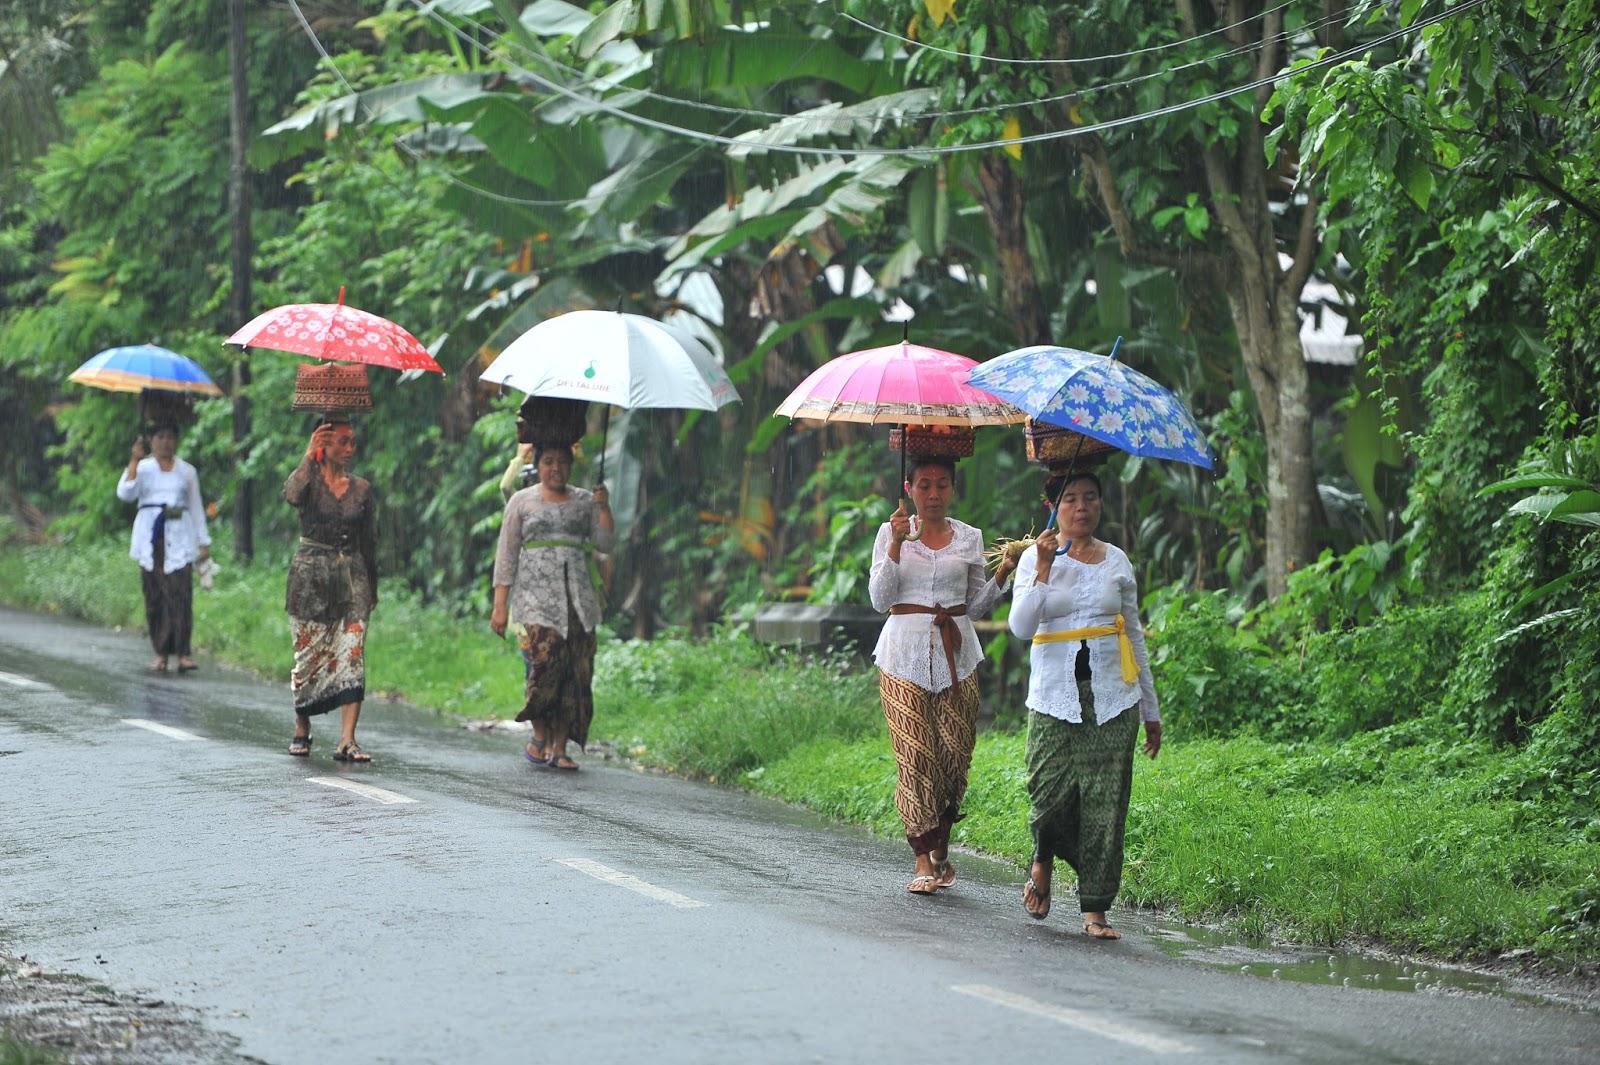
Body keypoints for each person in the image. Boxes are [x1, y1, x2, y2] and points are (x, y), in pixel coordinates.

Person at [1007, 470, 1161, 938]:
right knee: (1048, 794)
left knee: (1106, 804)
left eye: (1090, 498)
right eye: (1070, 499)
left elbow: (1133, 633)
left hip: (1114, 698)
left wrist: (1150, 710)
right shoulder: (1036, 557)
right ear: (1052, 507)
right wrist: (1043, 568)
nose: (1081, 507)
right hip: (1053, 695)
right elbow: (1019, 625)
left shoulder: (1118, 562)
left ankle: (1095, 908)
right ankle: (1043, 855)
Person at [868, 457, 1017, 895]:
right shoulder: (889, 531)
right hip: (901, 655)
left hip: (958, 653)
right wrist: (896, 543)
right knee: (915, 754)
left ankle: (941, 848)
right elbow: (880, 600)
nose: (933, 494)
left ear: (952, 489)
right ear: (908, 488)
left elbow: (974, 607)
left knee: (954, 756)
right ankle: (922, 860)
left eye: (942, 485)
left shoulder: (970, 537)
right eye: (925, 485)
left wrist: (1003, 572)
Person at [491, 443, 614, 771]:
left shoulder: (585, 501)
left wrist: (604, 508)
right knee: (543, 666)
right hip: (535, 600)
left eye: (562, 461)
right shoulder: (522, 501)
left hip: (578, 601)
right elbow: (506, 553)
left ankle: (560, 747)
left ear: (572, 464)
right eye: (548, 461)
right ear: (538, 464)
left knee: (575, 671)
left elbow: (605, 543)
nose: (555, 467)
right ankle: (540, 731)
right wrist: (499, 605)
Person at [283, 421, 379, 762]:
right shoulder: (308, 480)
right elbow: (291, 495)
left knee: (352, 652)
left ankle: (347, 739)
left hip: (353, 577)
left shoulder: (363, 489)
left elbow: (369, 541)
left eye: (353, 442)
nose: (351, 449)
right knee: (308, 655)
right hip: (310, 577)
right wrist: (309, 455)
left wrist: (373, 587)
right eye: (342, 442)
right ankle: (302, 725)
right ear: (325, 445)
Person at [116, 424, 211, 673]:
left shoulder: (187, 472)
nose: (166, 442)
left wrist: (203, 542)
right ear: (152, 440)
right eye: (161, 437)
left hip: (180, 535)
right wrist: (134, 460)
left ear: (177, 441)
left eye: (171, 436)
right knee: (155, 595)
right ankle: (161, 653)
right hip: (151, 537)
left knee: (180, 594)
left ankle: (182, 653)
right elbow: (125, 493)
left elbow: (196, 506)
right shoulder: (144, 468)